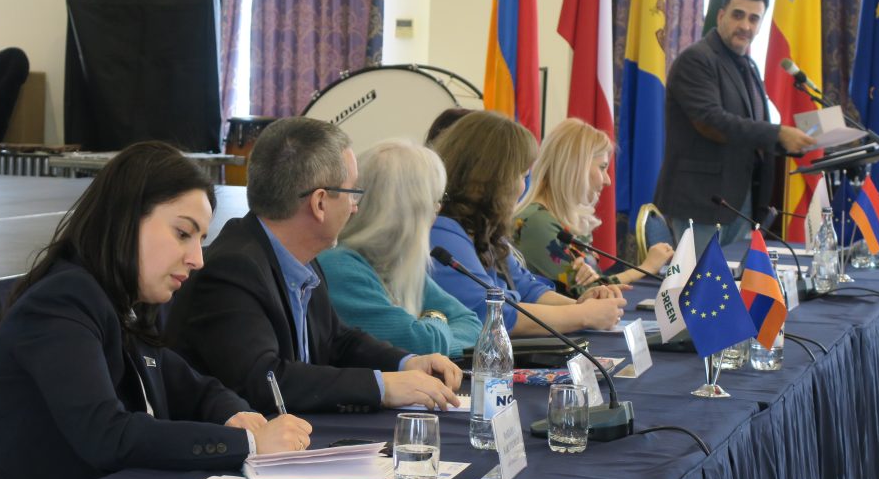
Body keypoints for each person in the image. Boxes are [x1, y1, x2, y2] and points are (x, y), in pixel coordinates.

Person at [0, 142, 312, 479]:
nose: (198, 259)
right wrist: (250, 444)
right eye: (183, 233)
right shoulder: (62, 302)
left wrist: (236, 415)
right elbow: (106, 434)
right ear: (127, 219)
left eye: (201, 240)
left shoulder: (117, 302)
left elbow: (195, 387)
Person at [165, 117, 463, 415]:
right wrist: (382, 386)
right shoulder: (233, 269)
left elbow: (337, 340)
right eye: (352, 193)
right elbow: (266, 380)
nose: (355, 207)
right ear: (320, 203)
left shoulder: (300, 257)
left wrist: (406, 363)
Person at [653, 0, 817, 251]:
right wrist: (778, 133)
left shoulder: (749, 65)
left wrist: (795, 142)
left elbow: (753, 130)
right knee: (700, 279)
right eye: (738, 15)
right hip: (701, 204)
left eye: (754, 19)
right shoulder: (696, 60)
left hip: (741, 204)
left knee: (734, 278)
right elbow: (711, 121)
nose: (745, 25)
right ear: (721, 16)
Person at [429, 111, 626, 336]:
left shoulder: (484, 228)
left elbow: (526, 288)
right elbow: (492, 316)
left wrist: (581, 305)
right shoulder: (442, 232)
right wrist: (584, 315)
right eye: (522, 176)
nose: (524, 187)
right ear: (493, 177)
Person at [318, 140, 482, 358]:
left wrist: (432, 332)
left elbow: (473, 324)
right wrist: (437, 317)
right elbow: (422, 344)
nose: (438, 209)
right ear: (410, 209)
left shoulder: (394, 262)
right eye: (435, 199)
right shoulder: (339, 267)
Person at [514, 118, 674, 296]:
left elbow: (592, 285)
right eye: (602, 168)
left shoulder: (557, 218)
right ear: (576, 168)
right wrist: (646, 267)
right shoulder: (536, 222)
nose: (608, 180)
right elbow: (588, 292)